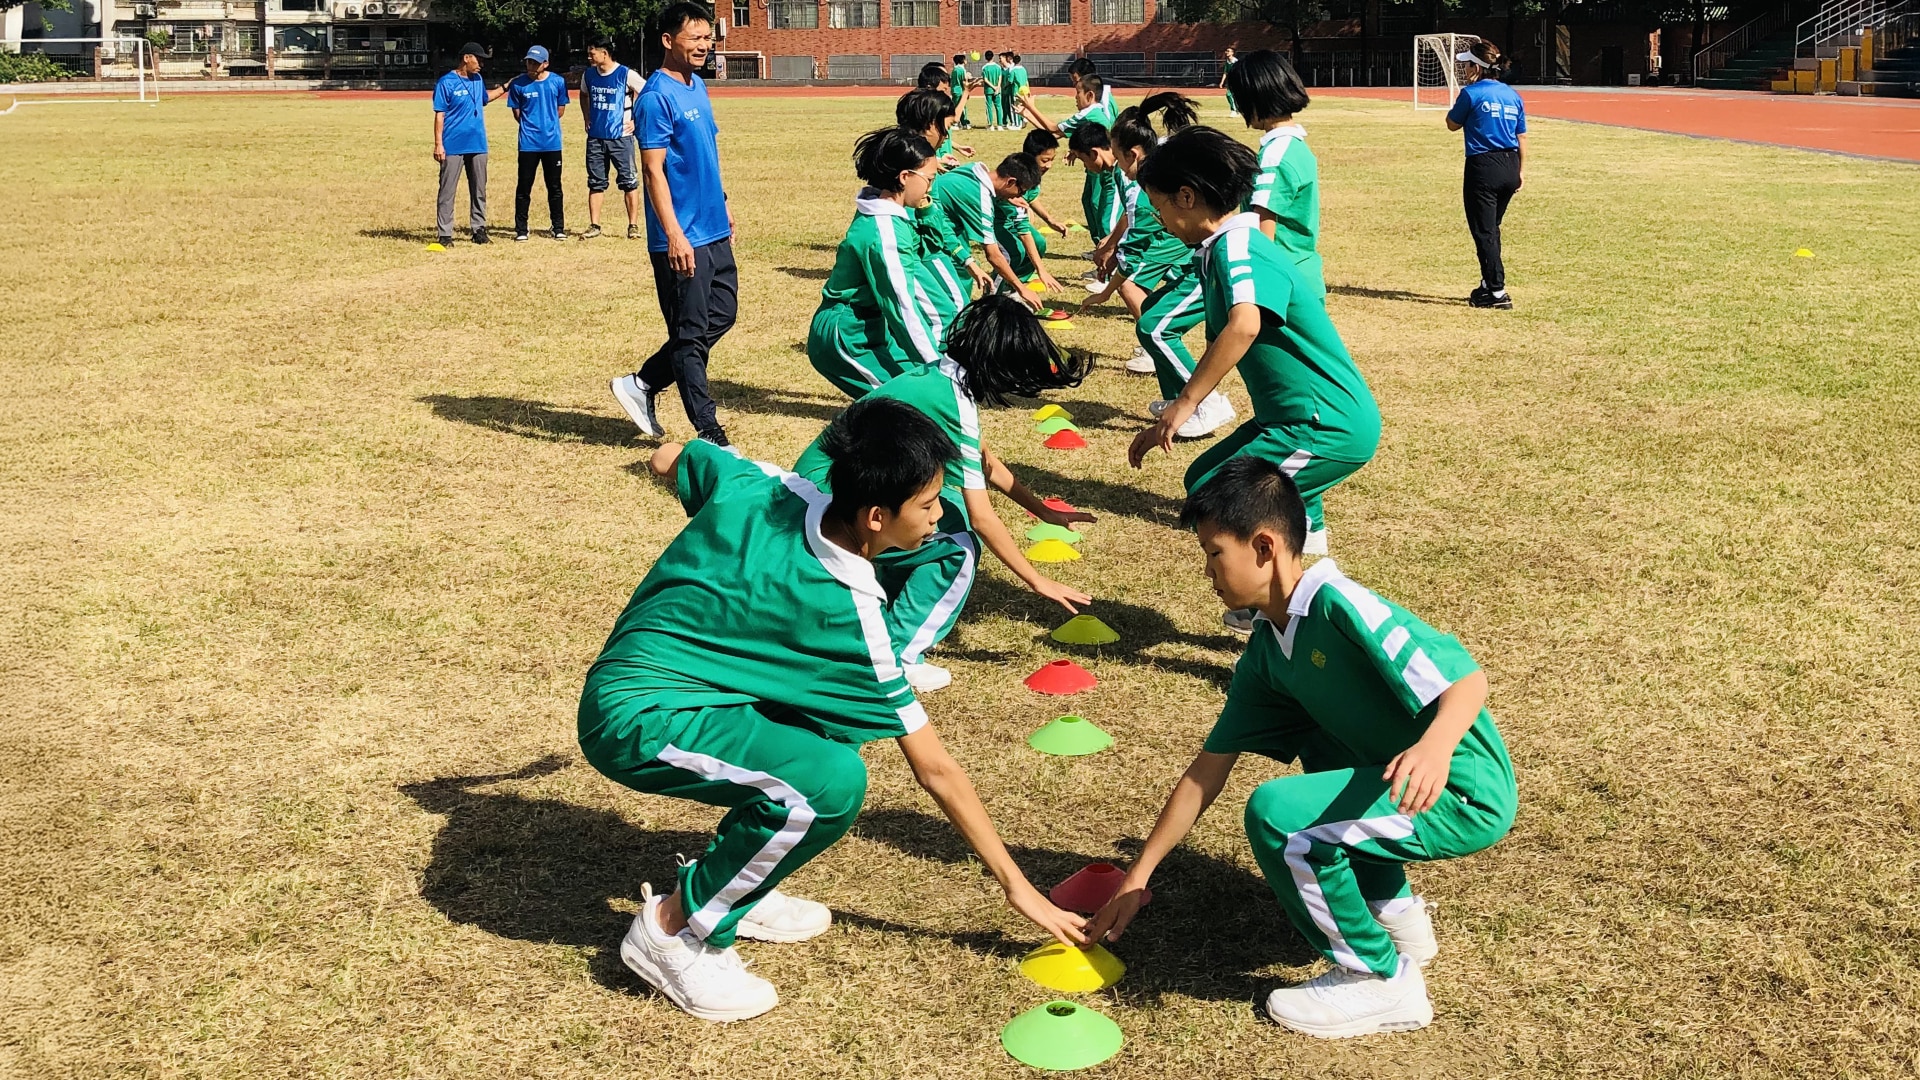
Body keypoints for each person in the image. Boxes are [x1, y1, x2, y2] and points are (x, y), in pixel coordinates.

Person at [584, 397, 1090, 1022]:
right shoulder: (849, 612)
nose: (939, 518)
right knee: (827, 785)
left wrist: (673, 468)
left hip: (690, 689)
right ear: (877, 516)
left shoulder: (766, 485)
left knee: (833, 728)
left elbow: (676, 456)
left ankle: (739, 882)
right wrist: (1020, 887)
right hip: (636, 719)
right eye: (929, 505)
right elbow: (936, 771)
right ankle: (674, 929)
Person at [1086, 457, 1517, 1038]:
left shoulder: (1340, 604)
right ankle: (1397, 918)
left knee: (1281, 819)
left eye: (1215, 553)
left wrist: (1436, 748)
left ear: (1264, 547)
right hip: (1397, 787)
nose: (1207, 572)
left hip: (1460, 793)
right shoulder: (1266, 650)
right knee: (1319, 752)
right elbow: (1207, 771)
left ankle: (1380, 981)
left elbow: (1466, 680)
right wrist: (1139, 874)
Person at [795, 297, 1095, 691]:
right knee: (958, 545)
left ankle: (870, 615)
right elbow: (984, 517)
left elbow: (985, 462)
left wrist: (1042, 510)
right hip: (831, 507)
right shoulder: (954, 402)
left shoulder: (939, 378)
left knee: (943, 513)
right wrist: (1037, 580)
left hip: (819, 494)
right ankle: (898, 655)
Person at [1129, 126, 1379, 570]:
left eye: (1159, 207)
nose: (1160, 221)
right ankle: (1300, 573)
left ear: (1186, 197)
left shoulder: (1239, 246)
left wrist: (1184, 404)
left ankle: (1268, 611)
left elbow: (1244, 325)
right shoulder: (1218, 249)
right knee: (1202, 482)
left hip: (1324, 425)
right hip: (1286, 419)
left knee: (1229, 507)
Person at [610, 2, 736, 446]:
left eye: (707, 38)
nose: (704, 45)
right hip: (681, 237)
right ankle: (710, 431)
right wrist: (674, 234)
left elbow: (705, 153)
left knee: (722, 315)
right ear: (668, 41)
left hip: (714, 227)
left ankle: (642, 382)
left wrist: (722, 202)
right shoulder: (655, 96)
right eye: (694, 38)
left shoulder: (697, 85)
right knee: (689, 334)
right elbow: (653, 171)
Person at [1077, 97, 1237, 440]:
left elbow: (1131, 257)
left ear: (1133, 155)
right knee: (1150, 312)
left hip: (1206, 267)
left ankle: (1205, 405)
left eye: (1119, 159)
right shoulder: (1157, 171)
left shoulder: (1149, 191)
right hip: (1196, 264)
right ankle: (1175, 399)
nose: (1118, 168)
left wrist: (1105, 292)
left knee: (1155, 327)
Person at [806, 128, 950, 398]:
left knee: (924, 397)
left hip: (873, 329)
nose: (930, 187)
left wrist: (926, 207)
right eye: (929, 180)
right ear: (905, 177)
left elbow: (927, 250)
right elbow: (902, 307)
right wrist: (938, 368)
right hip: (847, 335)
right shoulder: (883, 233)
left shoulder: (887, 208)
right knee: (917, 404)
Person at [1227, 50, 1323, 297]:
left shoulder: (1276, 153)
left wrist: (1252, 284)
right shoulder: (1295, 145)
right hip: (1300, 272)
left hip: (1282, 281)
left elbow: (1264, 224)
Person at [1017, 71, 1122, 281]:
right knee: (1094, 209)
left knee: (1107, 222)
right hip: (1102, 171)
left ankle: (1108, 272)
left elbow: (1053, 129)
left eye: (1077, 93)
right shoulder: (1094, 113)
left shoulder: (1089, 113)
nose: (1075, 98)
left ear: (1090, 96)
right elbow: (1056, 134)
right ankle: (1103, 260)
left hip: (1109, 175)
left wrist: (1031, 106)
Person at [1445, 39, 1526, 309]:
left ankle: (1496, 292)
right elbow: (1521, 135)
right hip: (1510, 164)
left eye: (1467, 64)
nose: (1465, 69)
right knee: (1492, 228)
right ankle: (1487, 282)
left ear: (1477, 67)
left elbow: (1452, 124)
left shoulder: (1472, 93)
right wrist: (1521, 171)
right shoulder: (1512, 95)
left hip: (1484, 166)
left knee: (1484, 231)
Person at [895, 87, 976, 317]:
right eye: (947, 128)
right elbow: (926, 222)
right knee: (952, 308)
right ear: (931, 123)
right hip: (914, 253)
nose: (947, 137)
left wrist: (965, 258)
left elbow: (935, 217)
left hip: (924, 248)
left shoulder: (914, 156)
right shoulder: (911, 166)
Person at [928, 153, 1046, 310]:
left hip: (946, 231)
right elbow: (994, 255)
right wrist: (1021, 288)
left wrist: (1003, 197)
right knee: (954, 298)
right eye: (1021, 191)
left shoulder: (976, 168)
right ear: (1011, 181)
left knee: (964, 277)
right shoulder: (980, 200)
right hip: (932, 236)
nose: (1020, 196)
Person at [432, 42, 508, 246]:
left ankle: (479, 229)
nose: (481, 64)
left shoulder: (478, 79)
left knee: (479, 189)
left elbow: (485, 99)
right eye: (478, 59)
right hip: (453, 144)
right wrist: (439, 144)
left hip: (478, 143)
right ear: (466, 58)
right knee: (447, 190)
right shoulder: (446, 82)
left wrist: (505, 87)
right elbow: (440, 115)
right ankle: (445, 234)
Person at [579, 38, 646, 240]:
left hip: (621, 137)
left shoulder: (626, 74)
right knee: (595, 182)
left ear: (605, 53)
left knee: (629, 181)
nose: (589, 57)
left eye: (593, 53)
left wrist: (636, 120)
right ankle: (594, 225)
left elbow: (649, 94)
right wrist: (587, 117)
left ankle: (632, 226)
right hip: (596, 138)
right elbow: (583, 95)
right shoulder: (589, 75)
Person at [507, 45, 569, 242]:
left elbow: (560, 110)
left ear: (545, 63)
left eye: (535, 62)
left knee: (555, 187)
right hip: (528, 144)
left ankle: (558, 227)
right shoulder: (518, 85)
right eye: (528, 61)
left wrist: (547, 124)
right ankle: (521, 229)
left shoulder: (558, 82)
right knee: (524, 187)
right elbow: (517, 113)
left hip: (552, 143)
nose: (530, 65)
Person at [993, 129, 1066, 295]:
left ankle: (1014, 285)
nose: (1049, 165)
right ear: (1031, 157)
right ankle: (993, 293)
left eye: (1052, 160)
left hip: (1015, 220)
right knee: (1014, 254)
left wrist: (1050, 220)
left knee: (1039, 243)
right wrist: (1042, 271)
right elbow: (1023, 231)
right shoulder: (1016, 180)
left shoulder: (1034, 176)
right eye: (1045, 160)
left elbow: (1031, 198)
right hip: (996, 221)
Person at [979, 50, 1004, 131]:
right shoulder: (998, 67)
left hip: (988, 90)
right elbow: (1000, 78)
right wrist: (997, 87)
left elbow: (985, 79)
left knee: (989, 107)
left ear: (985, 58)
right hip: (997, 90)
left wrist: (993, 87)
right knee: (999, 107)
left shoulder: (984, 68)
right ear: (993, 57)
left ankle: (991, 125)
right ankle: (1000, 125)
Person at [949, 53, 973, 130]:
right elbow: (964, 81)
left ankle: (962, 123)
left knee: (958, 107)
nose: (966, 60)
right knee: (960, 107)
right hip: (960, 91)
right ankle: (958, 123)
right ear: (962, 60)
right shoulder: (961, 70)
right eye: (965, 59)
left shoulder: (955, 69)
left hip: (955, 90)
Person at [1007, 53, 1029, 129]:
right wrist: (1028, 90)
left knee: (1016, 108)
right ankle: (1024, 118)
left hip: (1016, 91)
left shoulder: (1013, 70)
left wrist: (1005, 86)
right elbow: (1026, 81)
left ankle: (1017, 124)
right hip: (1024, 91)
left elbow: (1010, 81)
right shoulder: (1024, 69)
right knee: (1022, 106)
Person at [1219, 47, 1238, 115]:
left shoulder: (1236, 61)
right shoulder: (1227, 62)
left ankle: (1234, 110)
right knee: (1229, 95)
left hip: (1236, 81)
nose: (1227, 52)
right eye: (1226, 51)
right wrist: (1222, 82)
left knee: (1233, 95)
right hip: (1230, 81)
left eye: (1228, 51)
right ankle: (1235, 110)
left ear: (1232, 53)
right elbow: (1225, 73)